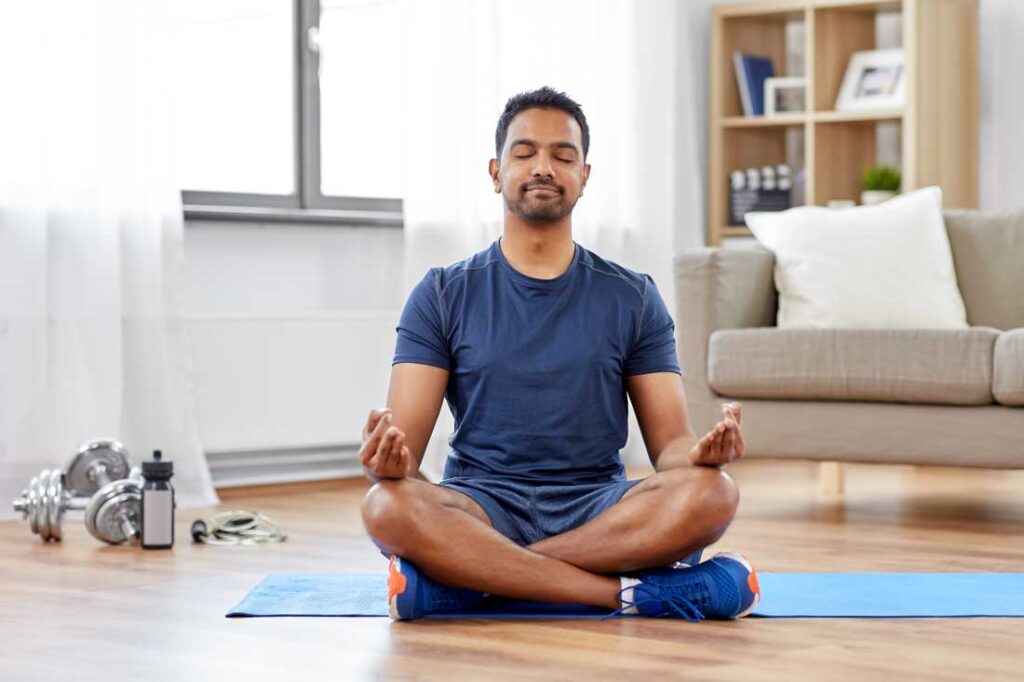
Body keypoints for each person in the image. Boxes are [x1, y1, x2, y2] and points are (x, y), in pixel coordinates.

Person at [359, 86, 758, 621]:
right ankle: (634, 594)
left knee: (714, 494)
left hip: (597, 507)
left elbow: (670, 446)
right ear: (496, 172)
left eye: (562, 156)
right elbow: (403, 459)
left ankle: (471, 581)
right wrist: (388, 460)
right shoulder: (441, 293)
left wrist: (701, 457)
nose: (543, 167)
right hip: (481, 505)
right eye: (524, 153)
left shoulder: (633, 295)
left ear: (584, 177)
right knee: (386, 505)